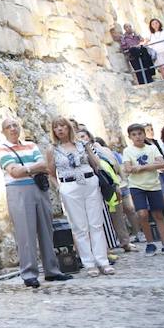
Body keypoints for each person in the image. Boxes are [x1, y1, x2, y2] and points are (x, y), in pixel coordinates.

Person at [0, 117, 71, 288]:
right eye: (9, 127)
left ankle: (52, 270)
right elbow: (14, 172)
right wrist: (32, 168)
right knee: (25, 233)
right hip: (18, 191)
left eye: (15, 125)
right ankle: (29, 273)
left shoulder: (31, 145)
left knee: (46, 229)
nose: (13, 129)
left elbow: (45, 165)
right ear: (4, 131)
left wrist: (26, 169)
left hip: (39, 189)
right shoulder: (2, 149)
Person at [47, 118, 113, 276]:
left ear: (69, 128)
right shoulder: (52, 149)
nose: (60, 129)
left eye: (62, 126)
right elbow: (50, 172)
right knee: (79, 227)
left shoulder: (82, 145)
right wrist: (60, 188)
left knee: (96, 223)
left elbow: (95, 162)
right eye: (56, 127)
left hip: (89, 182)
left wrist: (94, 155)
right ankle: (89, 263)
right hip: (69, 186)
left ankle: (103, 261)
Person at [122, 123, 164, 256]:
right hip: (136, 186)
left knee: (158, 214)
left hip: (154, 185)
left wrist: (141, 168)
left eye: (140, 134)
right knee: (142, 214)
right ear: (130, 137)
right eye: (134, 135)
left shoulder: (152, 148)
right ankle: (150, 244)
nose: (138, 137)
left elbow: (162, 164)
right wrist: (152, 165)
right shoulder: (128, 151)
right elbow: (128, 169)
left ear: (144, 134)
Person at [75, 129, 136, 252]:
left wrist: (119, 181)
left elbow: (115, 166)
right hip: (93, 185)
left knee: (117, 214)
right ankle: (107, 246)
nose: (82, 139)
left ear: (89, 136)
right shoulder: (79, 152)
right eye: (78, 137)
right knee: (100, 217)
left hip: (110, 183)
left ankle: (125, 242)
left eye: (83, 136)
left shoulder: (103, 150)